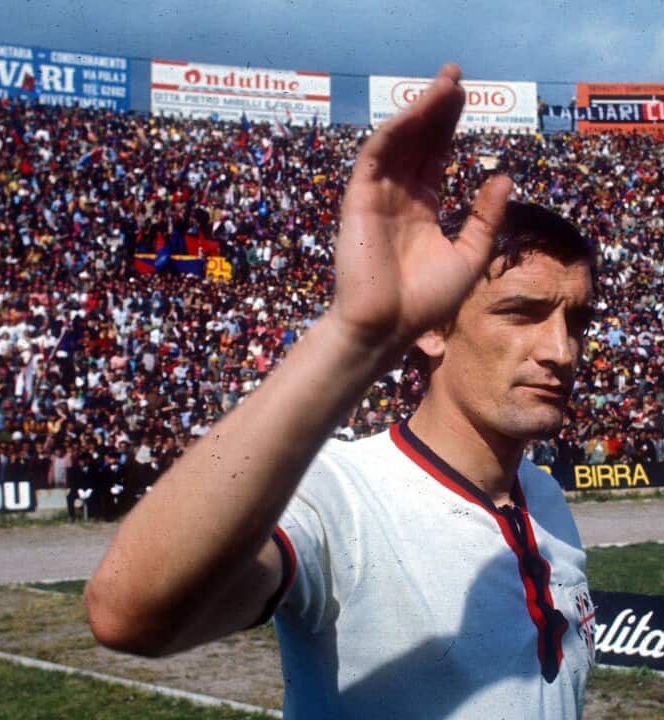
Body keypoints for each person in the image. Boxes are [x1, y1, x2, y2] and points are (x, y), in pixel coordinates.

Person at [84, 63, 598, 719]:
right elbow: (127, 611)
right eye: (522, 313)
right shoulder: (340, 497)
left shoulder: (545, 496)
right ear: (434, 328)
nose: (561, 350)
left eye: (576, 321)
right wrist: (354, 337)